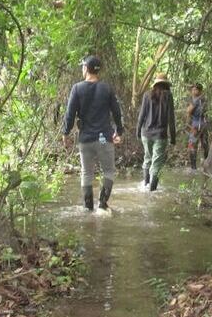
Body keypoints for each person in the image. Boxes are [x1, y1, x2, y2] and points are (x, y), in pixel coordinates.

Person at [62, 55, 123, 211]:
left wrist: (66, 133)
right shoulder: (107, 88)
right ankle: (102, 205)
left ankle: (88, 208)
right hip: (103, 139)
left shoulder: (77, 88)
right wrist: (118, 131)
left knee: (86, 173)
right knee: (109, 171)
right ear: (98, 71)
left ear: (85, 69)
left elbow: (69, 114)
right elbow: (116, 112)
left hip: (86, 140)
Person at [136, 73, 176, 191]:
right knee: (157, 162)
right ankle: (152, 191)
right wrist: (173, 137)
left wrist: (138, 131)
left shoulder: (147, 95)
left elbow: (141, 115)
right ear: (166, 84)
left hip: (146, 133)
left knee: (147, 158)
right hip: (160, 135)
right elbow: (171, 118)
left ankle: (145, 186)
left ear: (155, 83)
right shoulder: (168, 96)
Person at [186, 82, 209, 170]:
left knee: (192, 145)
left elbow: (188, 111)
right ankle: (206, 166)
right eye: (192, 89)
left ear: (199, 91)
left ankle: (193, 168)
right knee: (205, 145)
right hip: (203, 124)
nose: (193, 91)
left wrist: (188, 110)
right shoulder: (204, 99)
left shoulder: (196, 100)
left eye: (195, 89)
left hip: (196, 125)